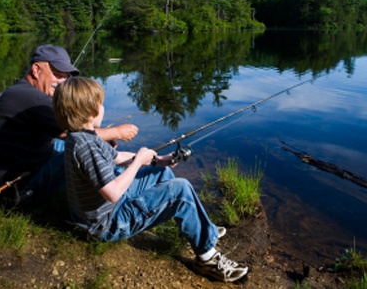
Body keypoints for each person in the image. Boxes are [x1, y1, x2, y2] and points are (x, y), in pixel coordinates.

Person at [52, 76, 249, 283]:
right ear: (92, 112)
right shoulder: (86, 146)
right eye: (100, 103)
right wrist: (138, 162)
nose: (103, 107)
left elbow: (118, 158)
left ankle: (200, 228)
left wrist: (157, 160)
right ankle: (207, 259)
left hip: (99, 214)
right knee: (181, 189)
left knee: (161, 174)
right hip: (108, 223)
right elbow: (112, 193)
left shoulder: (83, 136)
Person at [0, 44, 138, 205]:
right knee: (84, 152)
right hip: (17, 188)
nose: (62, 82)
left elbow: (73, 133)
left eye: (65, 76)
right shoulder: (35, 100)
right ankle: (127, 190)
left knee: (86, 149)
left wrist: (100, 140)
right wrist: (116, 132)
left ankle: (131, 167)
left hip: (20, 170)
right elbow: (79, 137)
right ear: (36, 70)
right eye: (57, 74)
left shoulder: (21, 90)